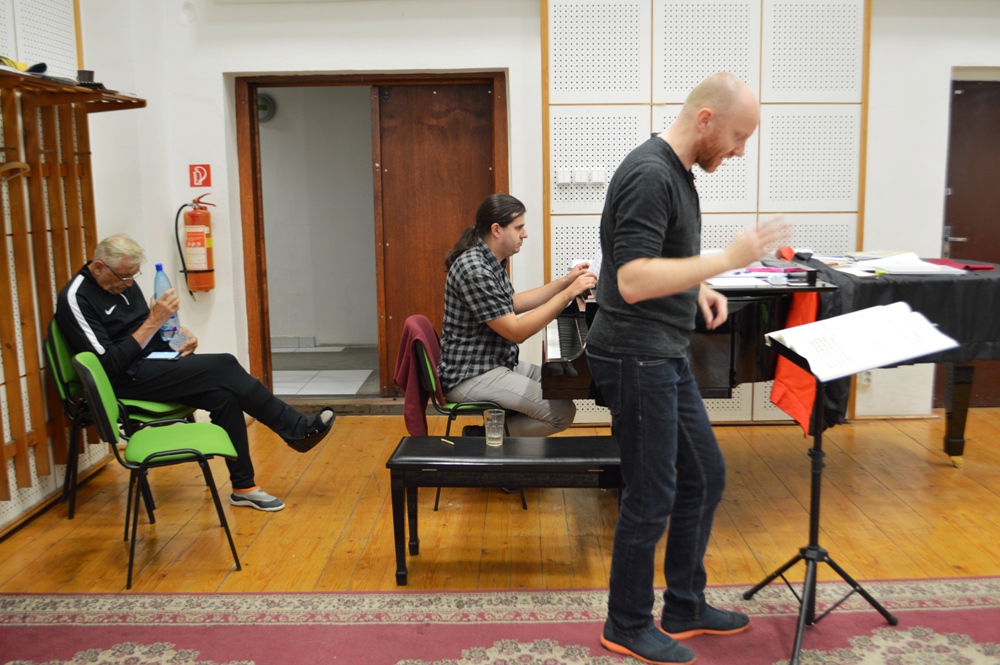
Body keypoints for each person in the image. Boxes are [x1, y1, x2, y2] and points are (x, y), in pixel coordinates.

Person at [585, 73, 791, 664]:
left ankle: (683, 605)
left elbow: (653, 258)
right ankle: (626, 622)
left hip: (662, 349)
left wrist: (697, 286)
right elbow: (630, 279)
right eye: (737, 136)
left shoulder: (675, 173)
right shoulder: (651, 174)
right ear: (705, 119)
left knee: (704, 475)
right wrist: (726, 259)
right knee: (651, 492)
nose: (739, 151)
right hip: (635, 353)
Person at [56, 234, 336, 512]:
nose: (128, 283)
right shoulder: (76, 297)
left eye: (133, 276)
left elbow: (150, 334)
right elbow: (106, 365)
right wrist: (154, 319)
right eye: (124, 277)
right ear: (99, 266)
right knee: (225, 364)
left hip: (150, 365)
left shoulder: (123, 282)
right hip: (121, 380)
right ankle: (296, 429)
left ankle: (244, 488)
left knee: (223, 395)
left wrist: (180, 340)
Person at [438, 193, 597, 437]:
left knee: (560, 386)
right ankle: (480, 438)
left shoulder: (490, 261)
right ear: (496, 230)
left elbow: (514, 303)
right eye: (518, 227)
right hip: (470, 375)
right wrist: (568, 294)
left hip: (493, 363)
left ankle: (505, 443)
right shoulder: (475, 269)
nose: (525, 234)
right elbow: (516, 332)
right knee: (561, 413)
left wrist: (566, 282)